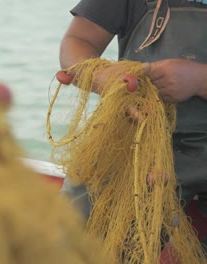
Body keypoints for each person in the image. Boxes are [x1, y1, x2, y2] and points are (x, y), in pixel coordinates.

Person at [59, 0, 207, 240]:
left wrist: (201, 80)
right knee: (75, 231)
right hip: (136, 138)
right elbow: (77, 40)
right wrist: (107, 79)